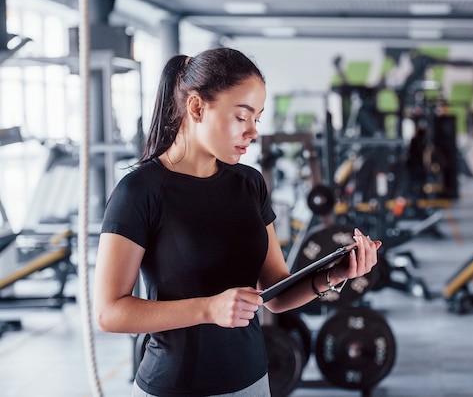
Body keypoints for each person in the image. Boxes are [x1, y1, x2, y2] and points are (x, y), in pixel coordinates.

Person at [92, 47, 381, 397]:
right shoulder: (140, 191)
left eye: (256, 119)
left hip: (253, 381)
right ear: (197, 107)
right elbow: (109, 313)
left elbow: (275, 293)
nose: (253, 132)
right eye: (241, 117)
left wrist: (335, 275)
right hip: (175, 387)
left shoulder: (249, 183)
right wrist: (208, 308)